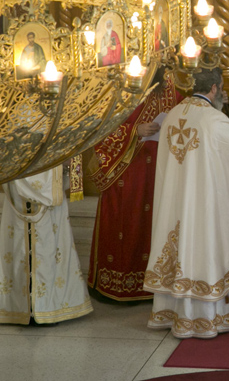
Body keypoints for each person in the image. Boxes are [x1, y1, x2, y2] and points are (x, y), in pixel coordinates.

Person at [143, 67, 229, 338]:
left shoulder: (173, 115)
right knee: (204, 248)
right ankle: (207, 318)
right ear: (213, 88)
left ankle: (173, 313)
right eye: (221, 86)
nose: (222, 91)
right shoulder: (215, 120)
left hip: (174, 202)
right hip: (203, 205)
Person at [87, 67, 182, 301]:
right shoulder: (117, 85)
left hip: (158, 168)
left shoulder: (168, 85)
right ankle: (115, 286)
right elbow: (98, 126)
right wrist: (134, 132)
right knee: (125, 223)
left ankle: (151, 285)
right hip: (124, 170)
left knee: (152, 223)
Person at [0, 164, 93, 324]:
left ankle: (47, 307)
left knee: (48, 249)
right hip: (36, 174)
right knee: (27, 247)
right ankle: (32, 309)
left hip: (43, 174)